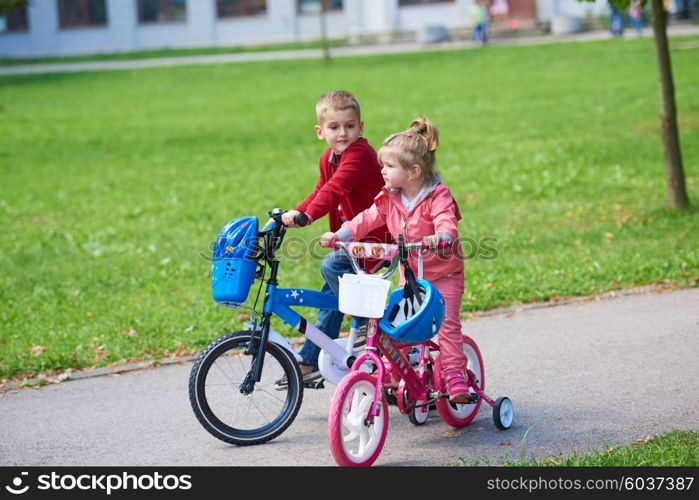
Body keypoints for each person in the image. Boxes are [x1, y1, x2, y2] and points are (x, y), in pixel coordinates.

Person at [319, 118, 471, 403]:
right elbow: (367, 219)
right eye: (382, 165)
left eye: (389, 166)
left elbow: (446, 221)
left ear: (413, 171)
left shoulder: (438, 195)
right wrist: (342, 235)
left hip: (444, 275)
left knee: (448, 325)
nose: (382, 171)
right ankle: (394, 373)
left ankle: (455, 377)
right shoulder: (390, 196)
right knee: (397, 327)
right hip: (410, 274)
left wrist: (442, 236)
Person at [277, 90, 391, 386]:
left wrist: (308, 216)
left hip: (375, 241)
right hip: (352, 243)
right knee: (330, 296)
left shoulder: (362, 155)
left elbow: (336, 189)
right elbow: (320, 190)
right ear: (320, 131)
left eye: (350, 126)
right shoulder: (328, 158)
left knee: (330, 268)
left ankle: (368, 322)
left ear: (361, 127)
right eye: (334, 127)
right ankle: (312, 359)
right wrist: (295, 213)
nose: (343, 133)